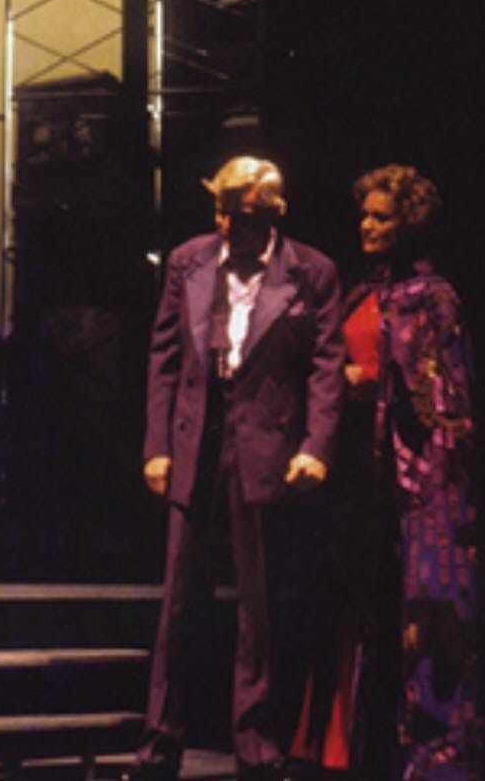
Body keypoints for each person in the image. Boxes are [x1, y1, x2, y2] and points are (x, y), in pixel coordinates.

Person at [127, 156, 345, 781]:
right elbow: (164, 357)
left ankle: (256, 748)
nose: (226, 225)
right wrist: (157, 445)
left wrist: (316, 447)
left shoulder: (312, 272)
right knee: (178, 602)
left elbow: (326, 367)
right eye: (221, 211)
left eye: (240, 215)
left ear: (274, 214)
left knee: (260, 604)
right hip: (197, 439)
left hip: (267, 445)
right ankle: (158, 745)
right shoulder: (188, 261)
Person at [295, 164, 481, 781]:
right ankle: (348, 752)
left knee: (423, 618)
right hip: (357, 475)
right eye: (365, 215)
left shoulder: (433, 296)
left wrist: (367, 382)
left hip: (416, 481)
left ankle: (433, 759)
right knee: (357, 611)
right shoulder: (362, 292)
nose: (367, 226)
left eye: (382, 217)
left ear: (409, 224)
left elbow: (444, 399)